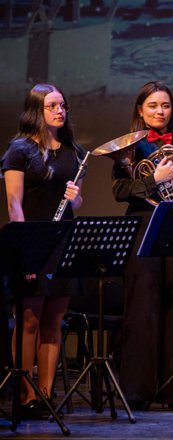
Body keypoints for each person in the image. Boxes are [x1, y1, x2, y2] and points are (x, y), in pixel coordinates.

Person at [1, 83, 85, 418]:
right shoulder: (19, 150)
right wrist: (26, 253)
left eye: (63, 105)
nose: (60, 111)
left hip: (63, 240)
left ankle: (47, 395)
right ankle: (26, 395)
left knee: (54, 321)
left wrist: (75, 197)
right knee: (30, 319)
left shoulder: (71, 150)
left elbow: (76, 202)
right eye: (52, 106)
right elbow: (14, 204)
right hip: (32, 241)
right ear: (36, 110)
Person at [114, 81, 173, 410]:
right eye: (152, 106)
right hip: (142, 228)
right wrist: (154, 180)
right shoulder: (128, 149)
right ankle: (139, 391)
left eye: (165, 106)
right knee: (144, 308)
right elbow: (120, 191)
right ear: (140, 110)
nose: (160, 111)